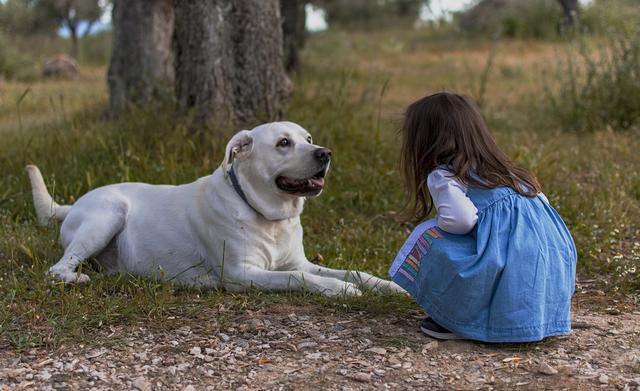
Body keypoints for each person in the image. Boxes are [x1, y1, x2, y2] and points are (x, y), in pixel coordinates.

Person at [389, 92, 577, 342]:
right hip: (550, 268)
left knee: (428, 236)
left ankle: (458, 319)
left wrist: (440, 225)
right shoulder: (510, 173)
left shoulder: (445, 176)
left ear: (425, 142)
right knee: (508, 251)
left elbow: (461, 220)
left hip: (508, 266)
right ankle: (533, 317)